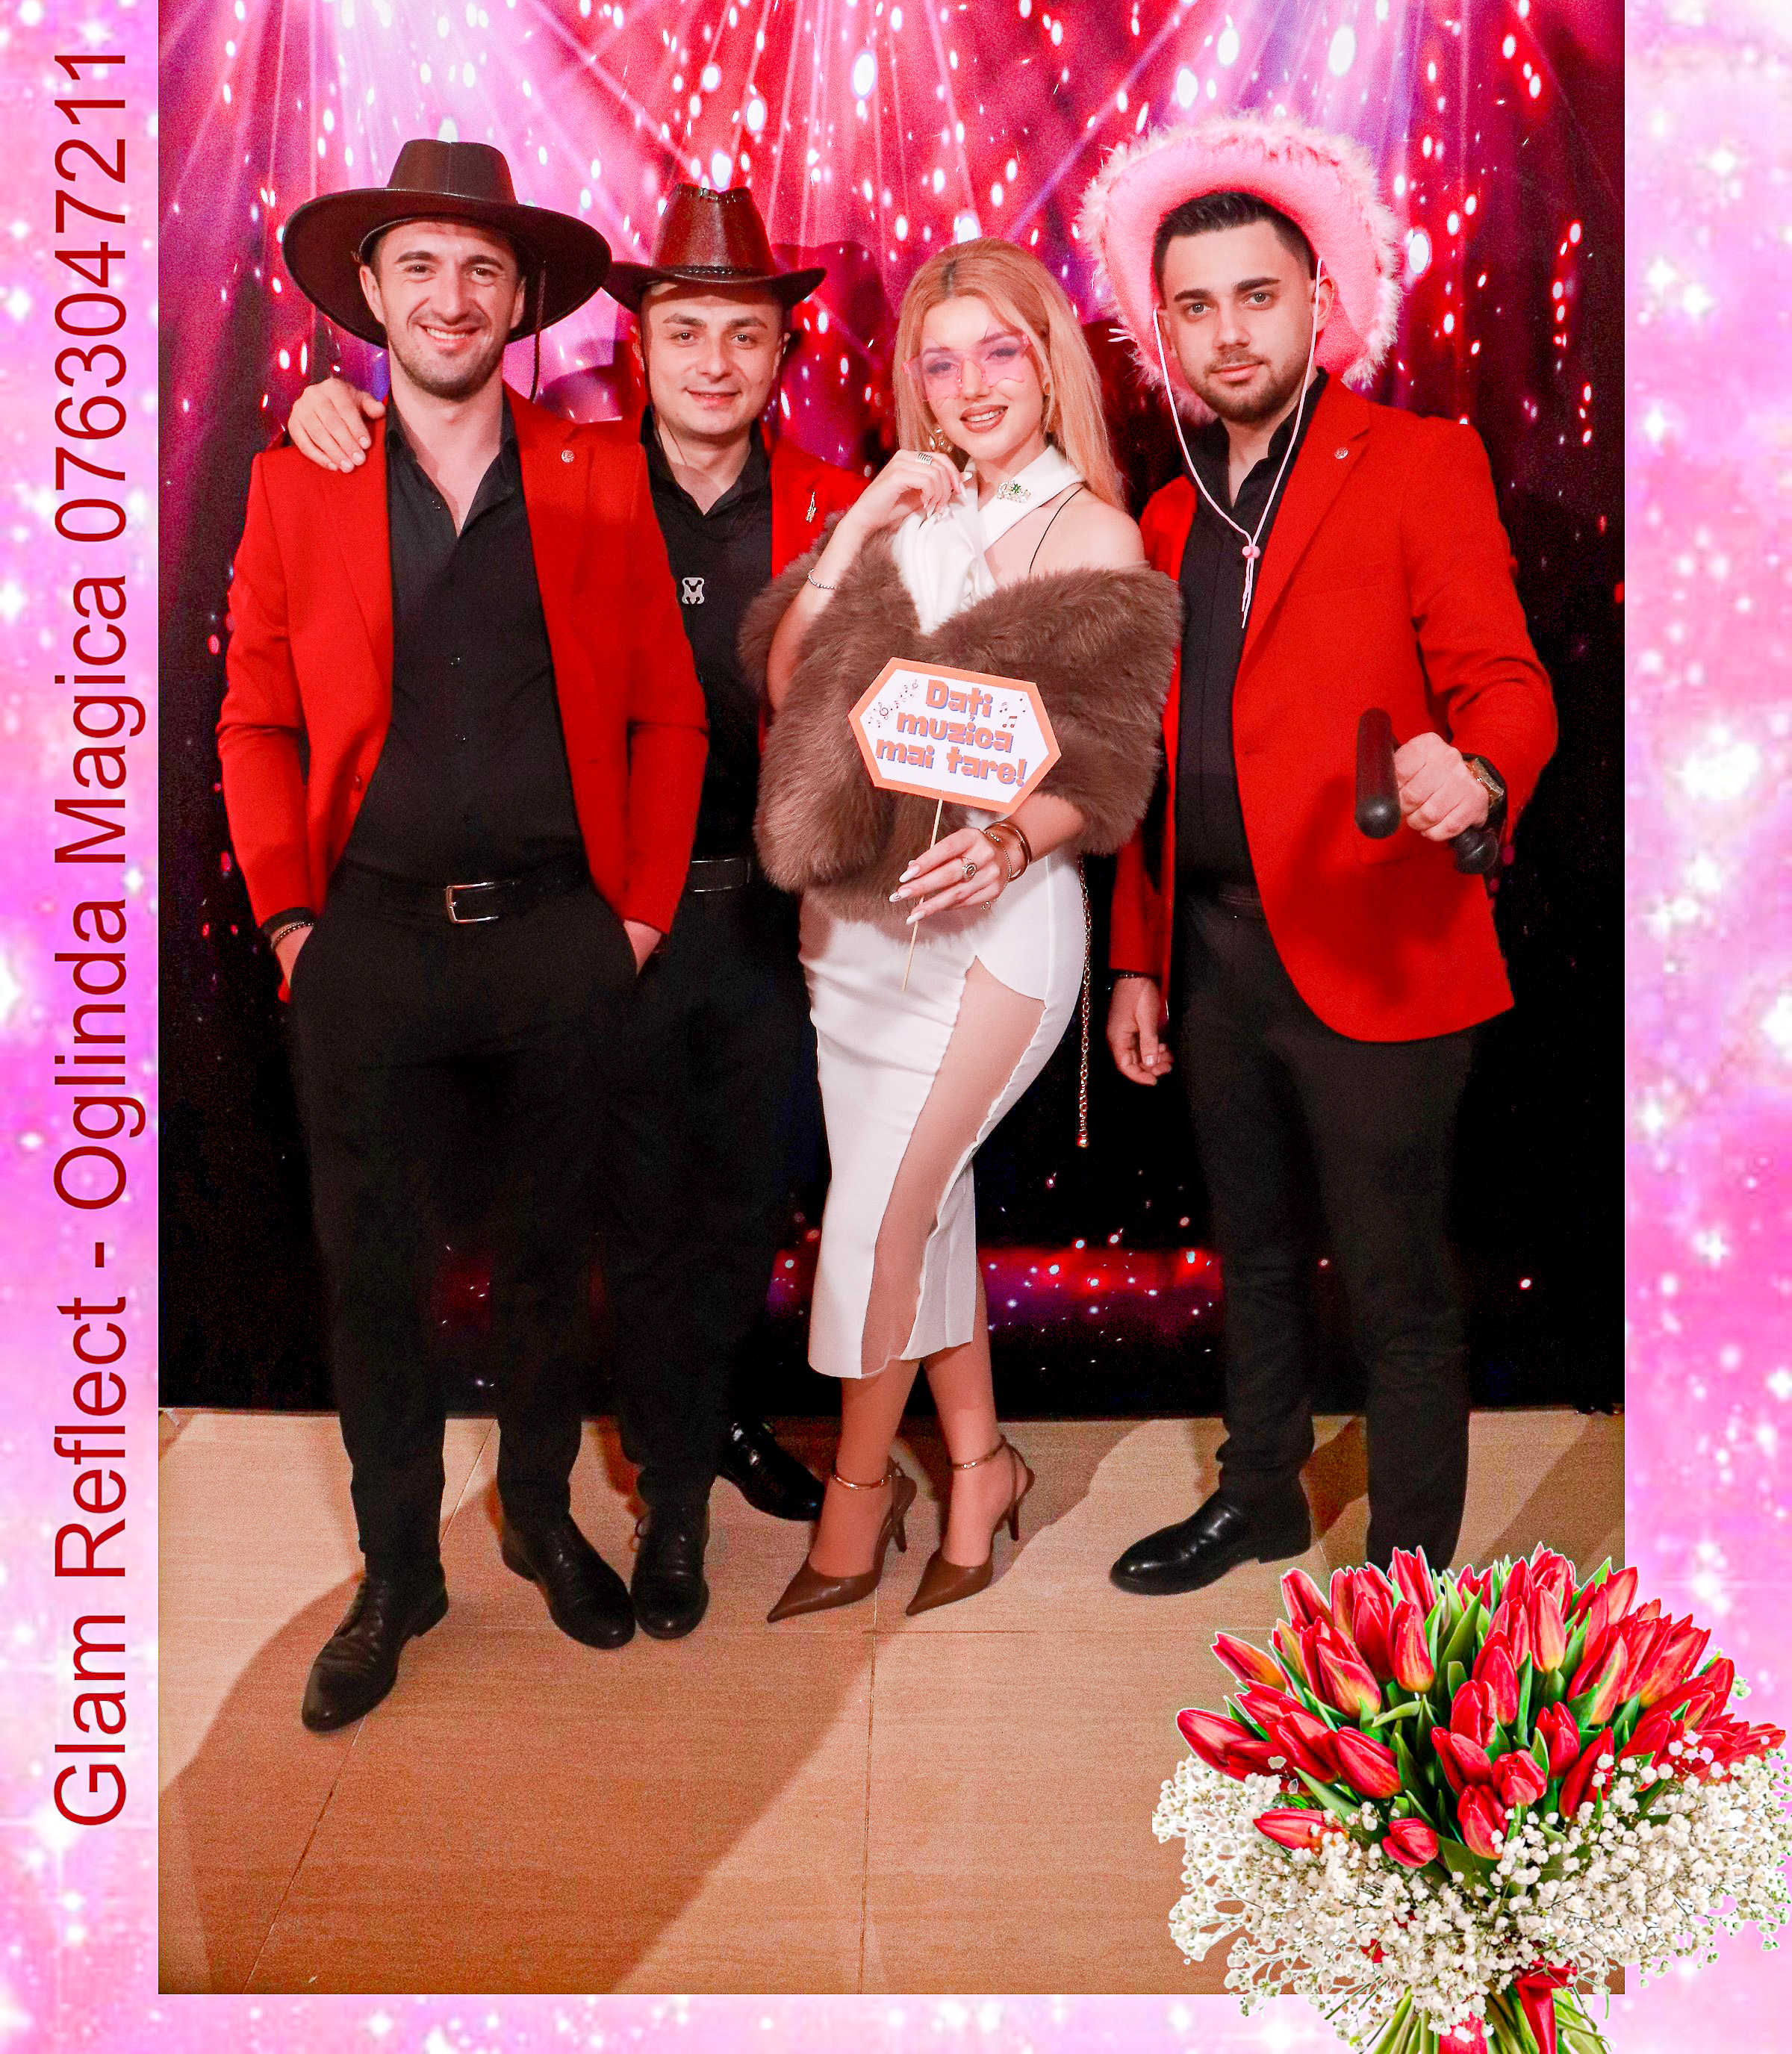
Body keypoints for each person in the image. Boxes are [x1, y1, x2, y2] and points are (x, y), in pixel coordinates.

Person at [284, 182, 865, 1641]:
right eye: (687, 332)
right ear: (639, 346)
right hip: (609, 913)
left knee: (744, 1208)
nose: (717, 362)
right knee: (616, 1224)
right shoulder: (580, 471)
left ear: (783, 352)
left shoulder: (837, 503)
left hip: (777, 928)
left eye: (746, 333)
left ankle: (696, 1449)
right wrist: (324, 408)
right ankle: (646, 1496)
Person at [218, 138, 709, 1727]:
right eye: (420, 265)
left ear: (522, 302)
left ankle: (543, 1517)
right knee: (374, 1278)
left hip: (560, 943)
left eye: (482, 269)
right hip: (363, 947)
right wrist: (292, 924)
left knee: (551, 1262)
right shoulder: (299, 474)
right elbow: (255, 719)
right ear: (370, 292)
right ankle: (396, 1572)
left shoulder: (597, 472)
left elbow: (670, 715)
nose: (451, 295)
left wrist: (636, 925)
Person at [1085, 113, 1558, 1590]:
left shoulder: (1418, 460)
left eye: (1257, 295)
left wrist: (1477, 773)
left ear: (1317, 302)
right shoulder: (1166, 516)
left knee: (1400, 1282)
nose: (1228, 331)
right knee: (1255, 1255)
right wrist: (1138, 962)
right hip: (1216, 952)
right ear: (1165, 331)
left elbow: (1510, 684)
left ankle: (1407, 1594)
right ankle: (1263, 1496)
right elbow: (1150, 766)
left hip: (1378, 941)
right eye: (1196, 306)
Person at [744, 239, 1180, 1619]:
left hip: (997, 932)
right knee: (920, 1208)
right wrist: (866, 516)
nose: (972, 384)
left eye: (999, 352)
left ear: (1048, 367)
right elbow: (791, 683)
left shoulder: (1094, 535)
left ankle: (855, 1501)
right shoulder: (909, 521)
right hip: (852, 936)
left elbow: (1109, 763)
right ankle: (980, 1468)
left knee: (883, 1214)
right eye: (941, 363)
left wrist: (1007, 839)